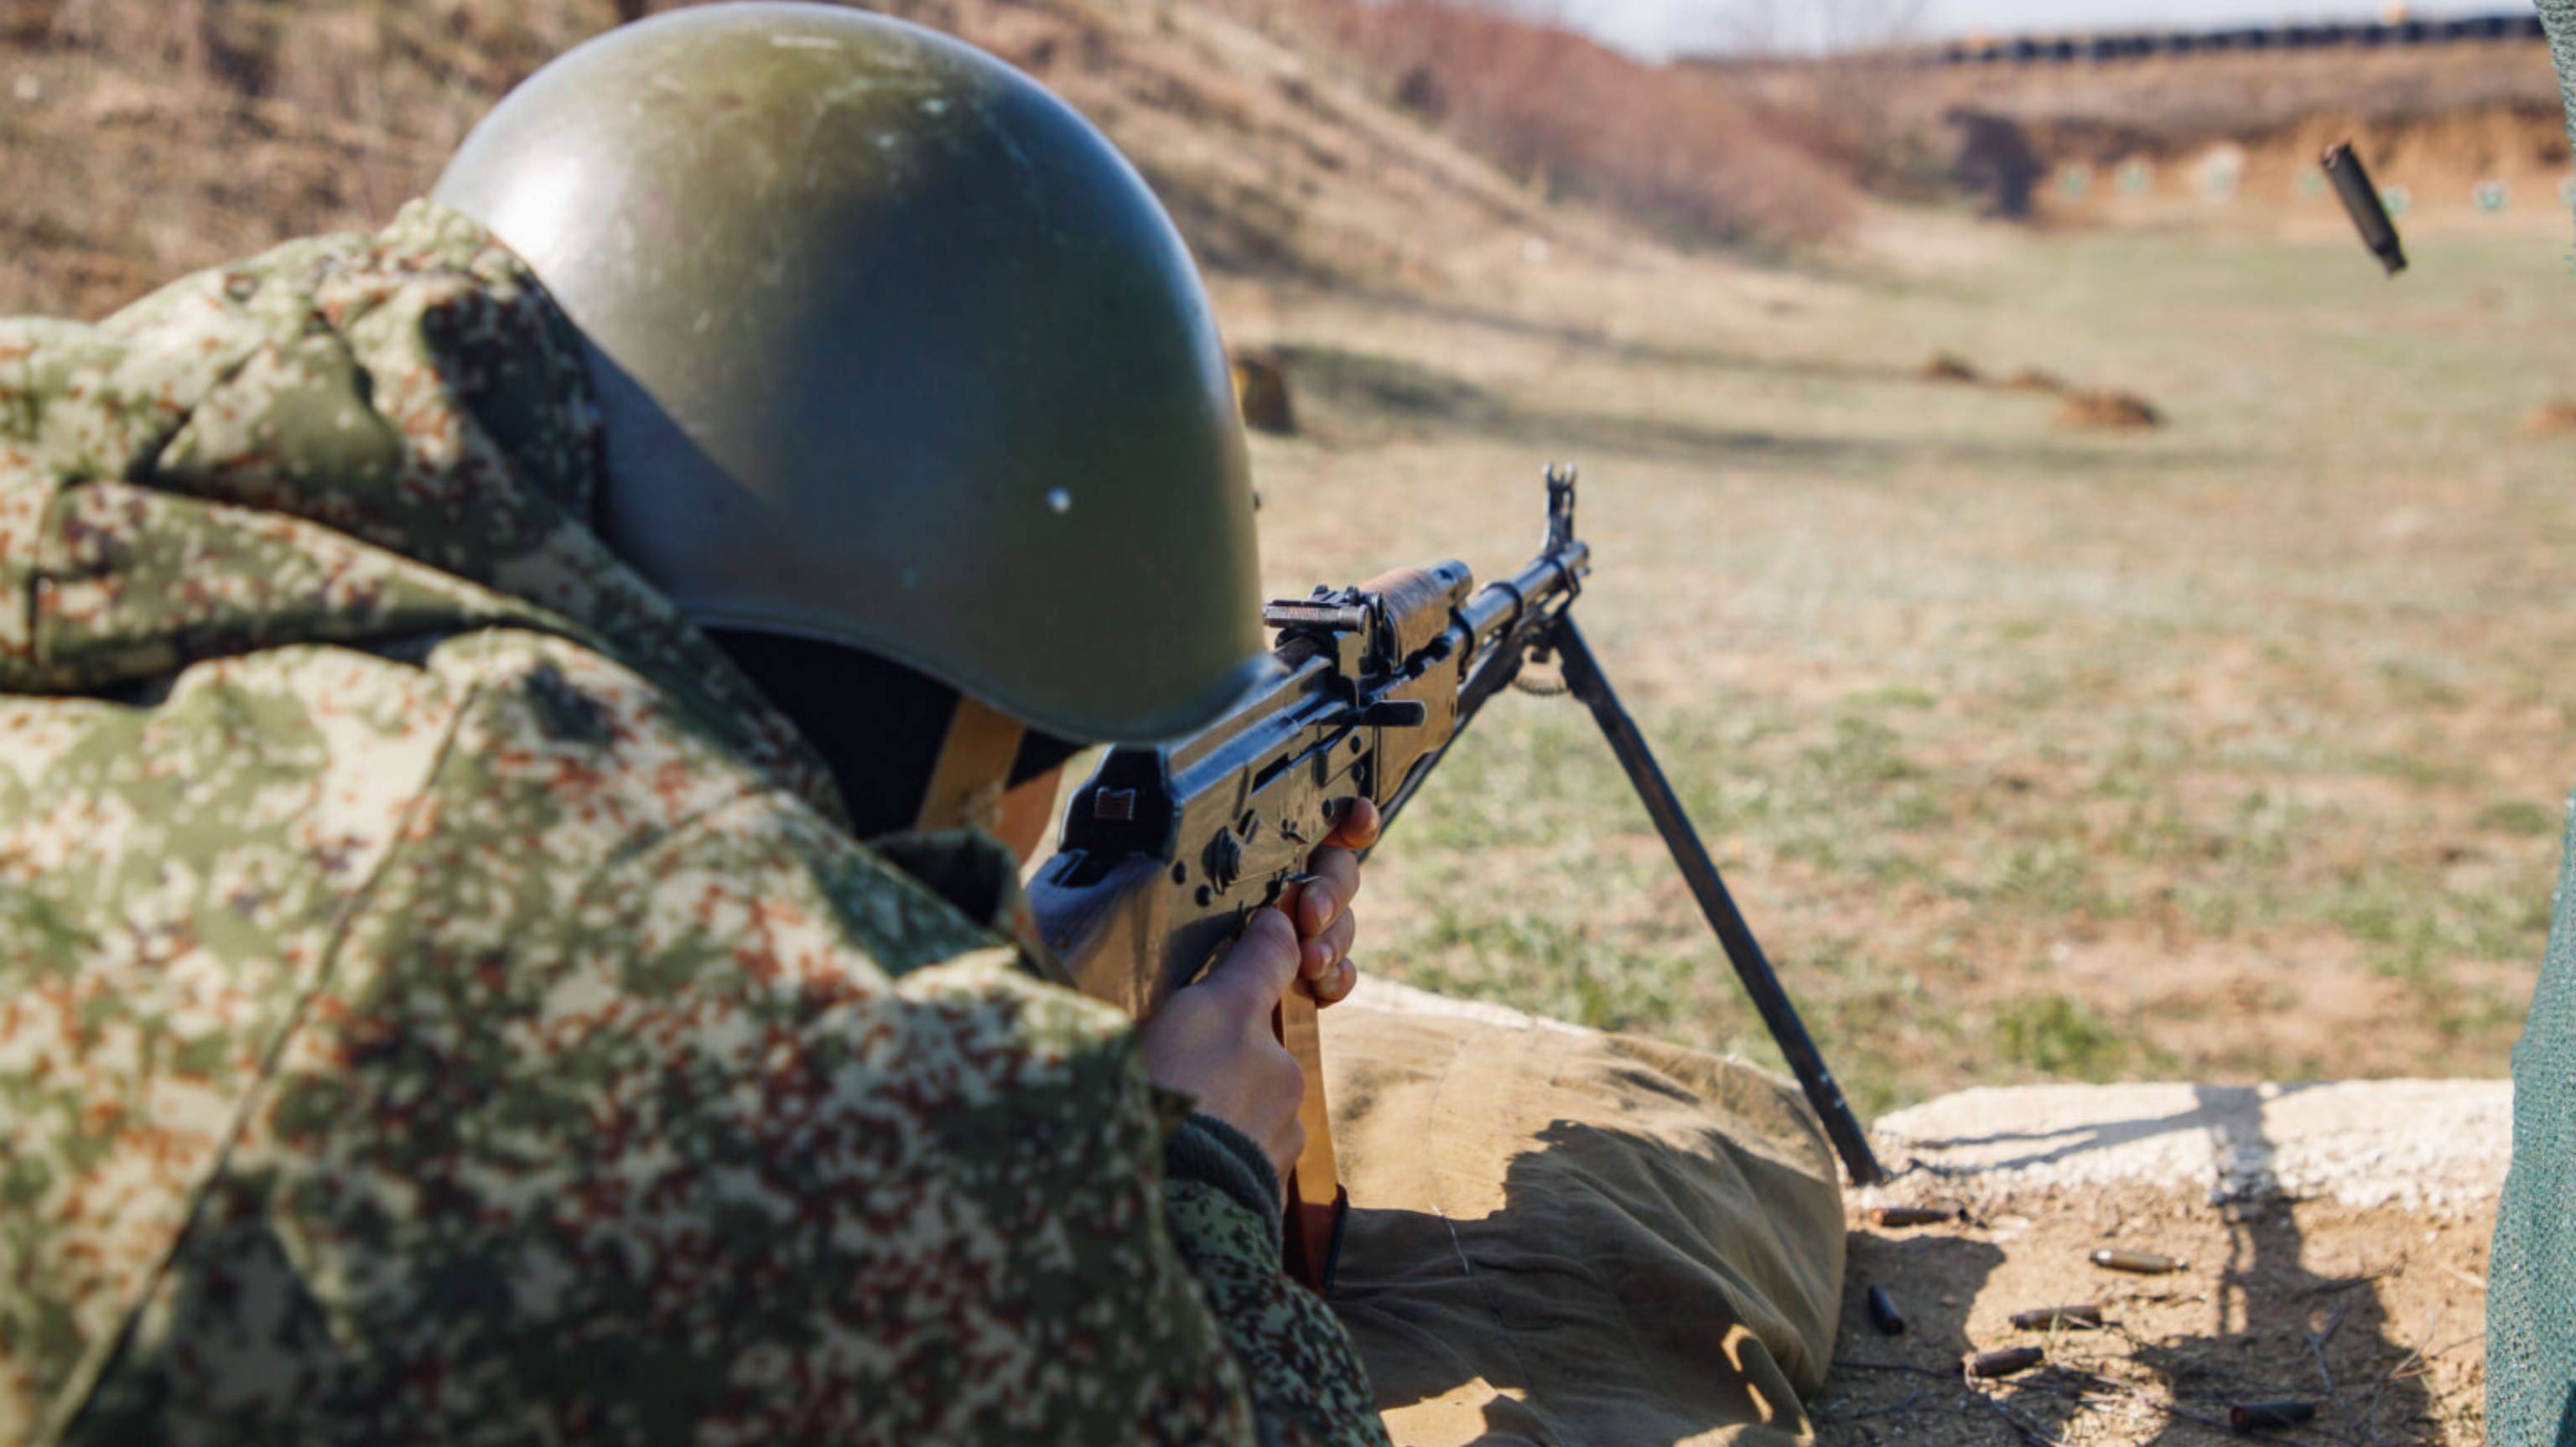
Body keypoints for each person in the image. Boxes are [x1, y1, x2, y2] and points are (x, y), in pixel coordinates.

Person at [0, 8, 1843, 1445]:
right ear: (946, 676)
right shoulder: (861, 1104)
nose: (1033, 818)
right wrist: (1193, 1156)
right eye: (1026, 765)